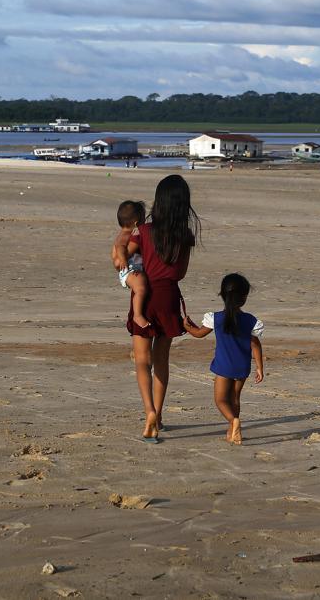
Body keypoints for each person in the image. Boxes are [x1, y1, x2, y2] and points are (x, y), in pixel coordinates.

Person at [124, 175, 200, 443]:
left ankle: (149, 412)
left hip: (143, 296)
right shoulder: (185, 236)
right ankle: (159, 414)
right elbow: (181, 272)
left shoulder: (143, 232)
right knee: (161, 361)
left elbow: (127, 258)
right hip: (168, 297)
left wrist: (133, 272)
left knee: (142, 361)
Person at [183, 273, 264, 445]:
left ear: (222, 295)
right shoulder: (250, 320)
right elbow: (255, 345)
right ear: (244, 298)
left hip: (223, 367)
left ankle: (233, 422)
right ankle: (233, 433)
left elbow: (198, 334)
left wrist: (187, 326)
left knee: (220, 400)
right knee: (235, 398)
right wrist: (259, 367)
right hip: (242, 367)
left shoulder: (216, 318)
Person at [112, 200, 150, 330]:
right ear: (136, 222)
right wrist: (123, 260)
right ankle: (137, 315)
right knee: (140, 289)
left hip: (134, 268)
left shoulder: (129, 233)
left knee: (143, 286)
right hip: (129, 269)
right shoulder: (125, 234)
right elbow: (120, 247)